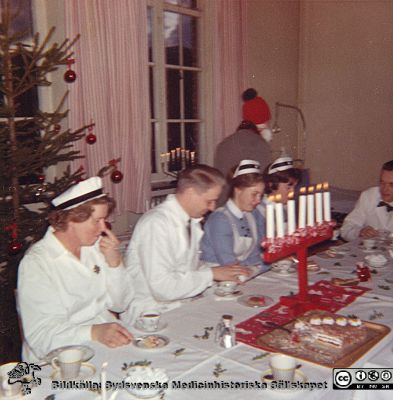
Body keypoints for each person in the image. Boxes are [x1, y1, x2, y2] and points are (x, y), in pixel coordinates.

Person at [18, 177, 134, 362]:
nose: (104, 228)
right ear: (72, 219)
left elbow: (121, 304)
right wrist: (93, 332)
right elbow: (42, 337)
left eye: (104, 220)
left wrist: (114, 264)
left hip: (103, 344)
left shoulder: (95, 248)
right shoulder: (38, 263)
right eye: (97, 221)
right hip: (59, 358)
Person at [123, 164, 251, 315]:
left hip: (179, 305)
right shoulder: (156, 223)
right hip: (151, 311)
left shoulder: (190, 221)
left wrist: (224, 272)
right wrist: (211, 274)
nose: (212, 207)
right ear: (190, 193)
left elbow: (187, 269)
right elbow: (162, 289)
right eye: (209, 201)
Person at [200, 160, 269, 272]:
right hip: (218, 278)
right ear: (238, 190)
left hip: (242, 272)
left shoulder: (251, 215)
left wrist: (269, 263)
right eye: (254, 194)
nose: (258, 200)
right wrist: (263, 266)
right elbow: (229, 263)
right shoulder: (220, 220)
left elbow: (255, 254)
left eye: (260, 195)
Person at [214, 120, 272, 205]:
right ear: (256, 131)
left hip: (223, 196)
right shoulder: (260, 143)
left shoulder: (223, 143)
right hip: (249, 199)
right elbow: (265, 174)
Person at [341, 160, 393, 241]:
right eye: (382, 182)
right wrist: (359, 232)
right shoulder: (369, 196)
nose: (385, 189)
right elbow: (346, 229)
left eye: (391, 185)